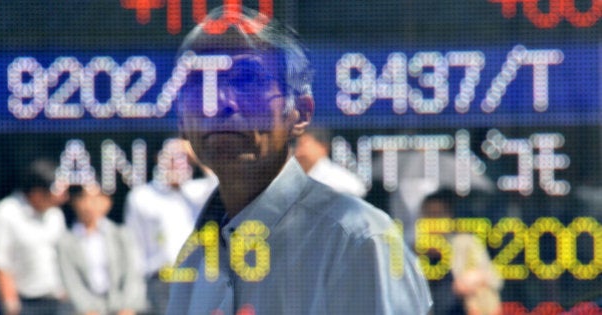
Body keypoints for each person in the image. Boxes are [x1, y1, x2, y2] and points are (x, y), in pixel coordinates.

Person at [166, 5, 431, 314]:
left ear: (301, 113)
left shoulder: (358, 240)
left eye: (248, 80)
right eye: (199, 83)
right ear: (181, 120)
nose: (220, 102)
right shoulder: (193, 258)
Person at [124, 139, 217, 314]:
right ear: (158, 159)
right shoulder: (141, 196)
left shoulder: (199, 192)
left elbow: (222, 182)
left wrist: (196, 154)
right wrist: (133, 296)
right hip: (161, 282)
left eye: (182, 158)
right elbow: (134, 249)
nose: (175, 163)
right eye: (170, 157)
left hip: (198, 279)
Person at [0, 158, 69, 315]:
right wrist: (11, 306)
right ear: (36, 193)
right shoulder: (5, 213)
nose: (61, 199)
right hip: (24, 304)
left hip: (57, 302)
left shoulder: (55, 215)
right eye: (54, 194)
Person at [57, 184, 147, 315]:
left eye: (95, 199)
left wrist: (128, 307)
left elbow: (133, 274)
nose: (88, 205)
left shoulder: (121, 235)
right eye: (82, 198)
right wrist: (87, 309)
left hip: (119, 306)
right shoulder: (66, 241)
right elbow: (71, 281)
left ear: (107, 201)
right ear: (74, 202)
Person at [420, 190, 503, 315]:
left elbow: (495, 280)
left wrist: (474, 280)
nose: (434, 221)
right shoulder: (413, 253)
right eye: (429, 215)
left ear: (449, 217)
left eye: (438, 215)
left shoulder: (465, 244)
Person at [295, 127, 367, 197]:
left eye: (303, 145)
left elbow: (358, 190)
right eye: (297, 146)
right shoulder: (295, 179)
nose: (299, 152)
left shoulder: (338, 179)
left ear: (322, 147)